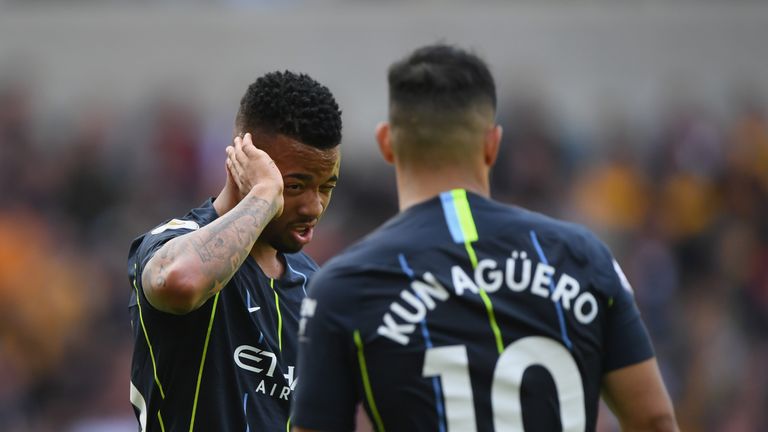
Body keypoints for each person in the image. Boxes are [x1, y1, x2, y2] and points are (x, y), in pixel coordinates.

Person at [291, 45, 678, 431]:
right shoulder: (584, 256)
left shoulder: (345, 286)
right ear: (492, 144)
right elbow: (654, 419)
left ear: (387, 143)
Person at [128, 71, 342, 431]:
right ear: (244, 160)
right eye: (295, 185)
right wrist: (264, 195)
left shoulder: (315, 288)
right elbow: (180, 282)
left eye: (326, 187)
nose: (314, 206)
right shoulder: (175, 242)